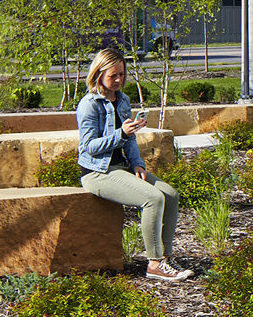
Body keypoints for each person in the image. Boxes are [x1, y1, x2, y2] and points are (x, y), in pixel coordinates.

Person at [77, 47, 189, 280]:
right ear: (98, 74)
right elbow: (89, 146)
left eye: (122, 75)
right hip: (97, 171)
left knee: (170, 194)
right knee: (153, 198)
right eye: (113, 76)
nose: (119, 80)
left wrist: (138, 164)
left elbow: (129, 141)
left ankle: (166, 258)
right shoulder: (89, 104)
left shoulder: (123, 100)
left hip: (123, 167)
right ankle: (154, 263)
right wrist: (121, 133)